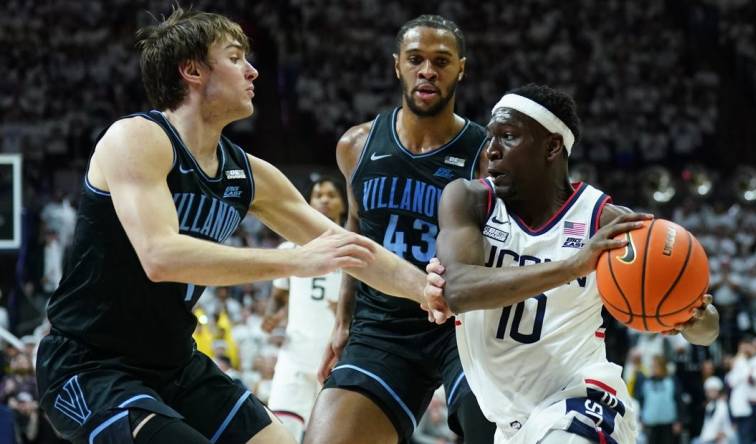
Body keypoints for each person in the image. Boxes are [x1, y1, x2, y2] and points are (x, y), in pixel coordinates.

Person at [34, 8, 448, 444]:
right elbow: (161, 257)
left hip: (175, 365)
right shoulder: (137, 139)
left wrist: (430, 292)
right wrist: (294, 262)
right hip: (88, 367)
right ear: (192, 70)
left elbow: (349, 247)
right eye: (235, 58)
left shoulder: (249, 174)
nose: (252, 70)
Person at [424, 84, 720, 444]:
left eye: (508, 137)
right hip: (510, 422)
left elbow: (707, 332)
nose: (492, 151)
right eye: (490, 139)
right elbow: (458, 290)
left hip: (583, 399)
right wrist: (573, 266)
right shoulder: (469, 200)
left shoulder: (607, 222)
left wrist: (691, 312)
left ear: (551, 147)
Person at [305, 15, 495, 444]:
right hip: (382, 327)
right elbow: (356, 232)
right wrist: (342, 323)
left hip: (462, 327)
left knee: (492, 430)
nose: (428, 70)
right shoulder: (356, 146)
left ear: (460, 69)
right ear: (398, 66)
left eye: (441, 61)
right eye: (416, 59)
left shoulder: (484, 156)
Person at [262, 176, 348, 440]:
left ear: (343, 205)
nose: (323, 199)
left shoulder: (352, 249)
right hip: (295, 356)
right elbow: (279, 294)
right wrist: (271, 314)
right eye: (317, 194)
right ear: (308, 203)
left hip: (336, 357)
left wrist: (346, 313)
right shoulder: (290, 247)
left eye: (330, 194)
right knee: (280, 432)